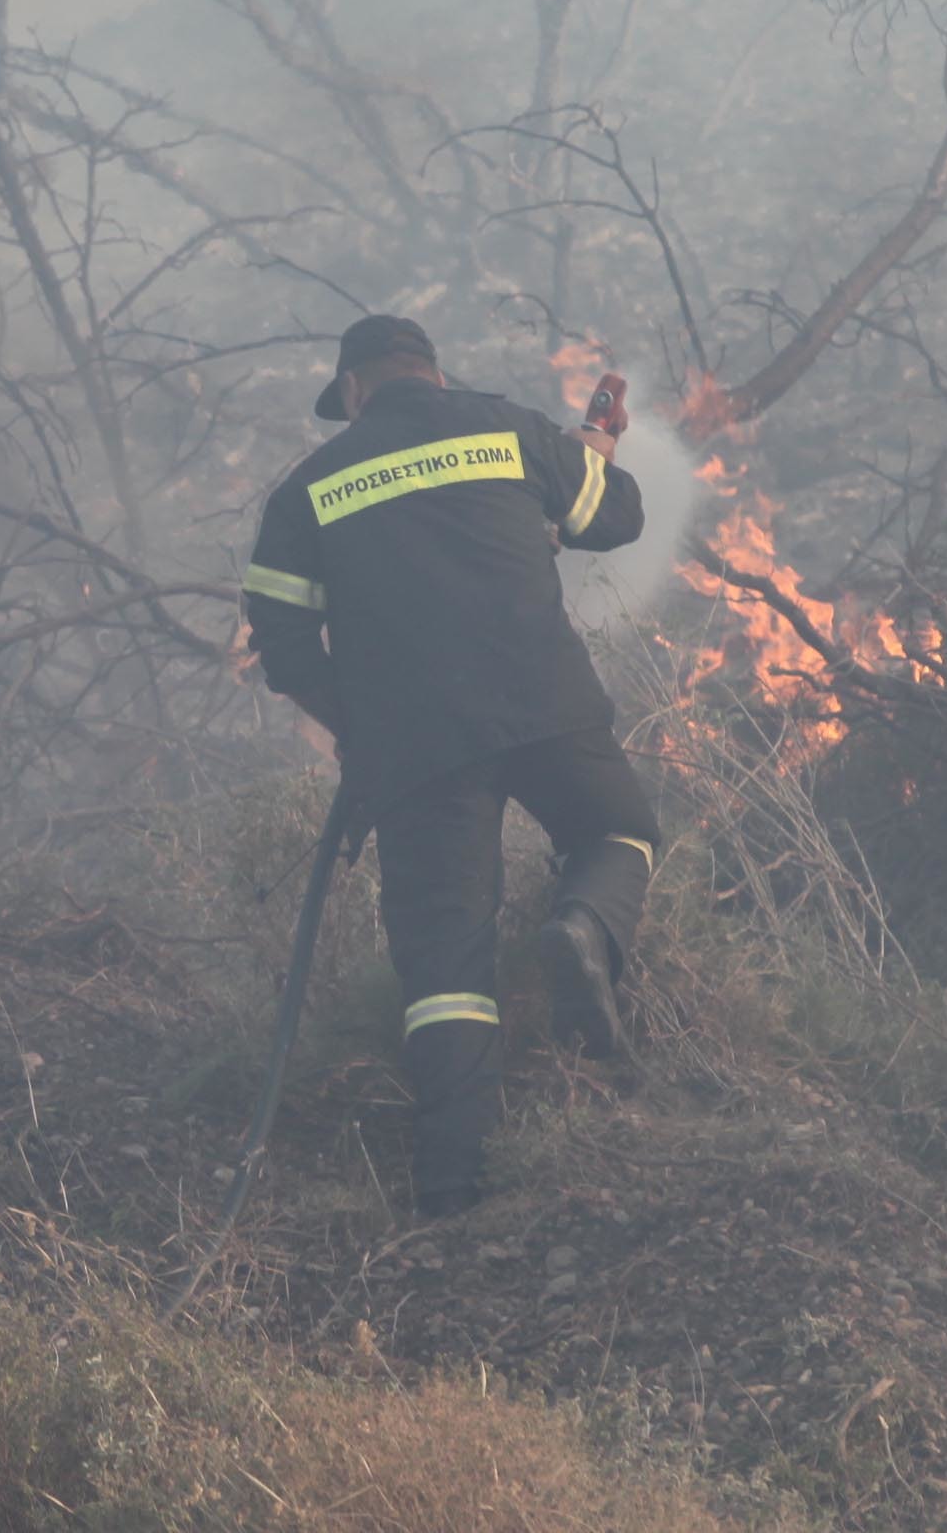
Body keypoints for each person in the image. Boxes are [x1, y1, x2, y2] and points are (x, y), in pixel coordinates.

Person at [241, 313, 660, 1219]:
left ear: (353, 391)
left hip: (416, 747)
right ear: (431, 372)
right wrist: (591, 453)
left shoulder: (308, 489)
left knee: (443, 963)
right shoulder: (506, 431)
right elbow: (613, 517)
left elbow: (277, 637)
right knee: (619, 830)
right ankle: (585, 930)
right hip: (544, 704)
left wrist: (356, 722)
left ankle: (452, 1187)